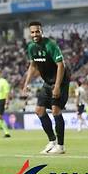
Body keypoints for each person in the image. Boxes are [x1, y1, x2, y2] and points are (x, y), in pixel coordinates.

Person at [22, 21, 70, 155]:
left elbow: (61, 65)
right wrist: (26, 83)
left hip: (60, 82)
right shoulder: (31, 47)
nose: (35, 34)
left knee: (55, 110)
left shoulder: (50, 45)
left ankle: (60, 146)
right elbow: (32, 66)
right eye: (32, 32)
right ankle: (52, 141)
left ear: (42, 32)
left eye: (37, 31)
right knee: (39, 110)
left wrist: (57, 86)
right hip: (47, 83)